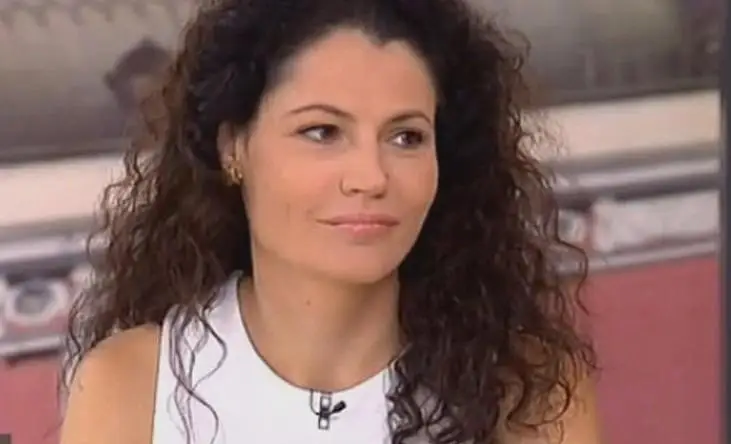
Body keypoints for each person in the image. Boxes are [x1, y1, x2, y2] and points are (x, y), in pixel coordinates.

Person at [60, 0, 600, 443]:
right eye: (322, 132)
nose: (371, 176)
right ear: (233, 148)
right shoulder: (133, 386)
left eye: (406, 137)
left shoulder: (527, 393)